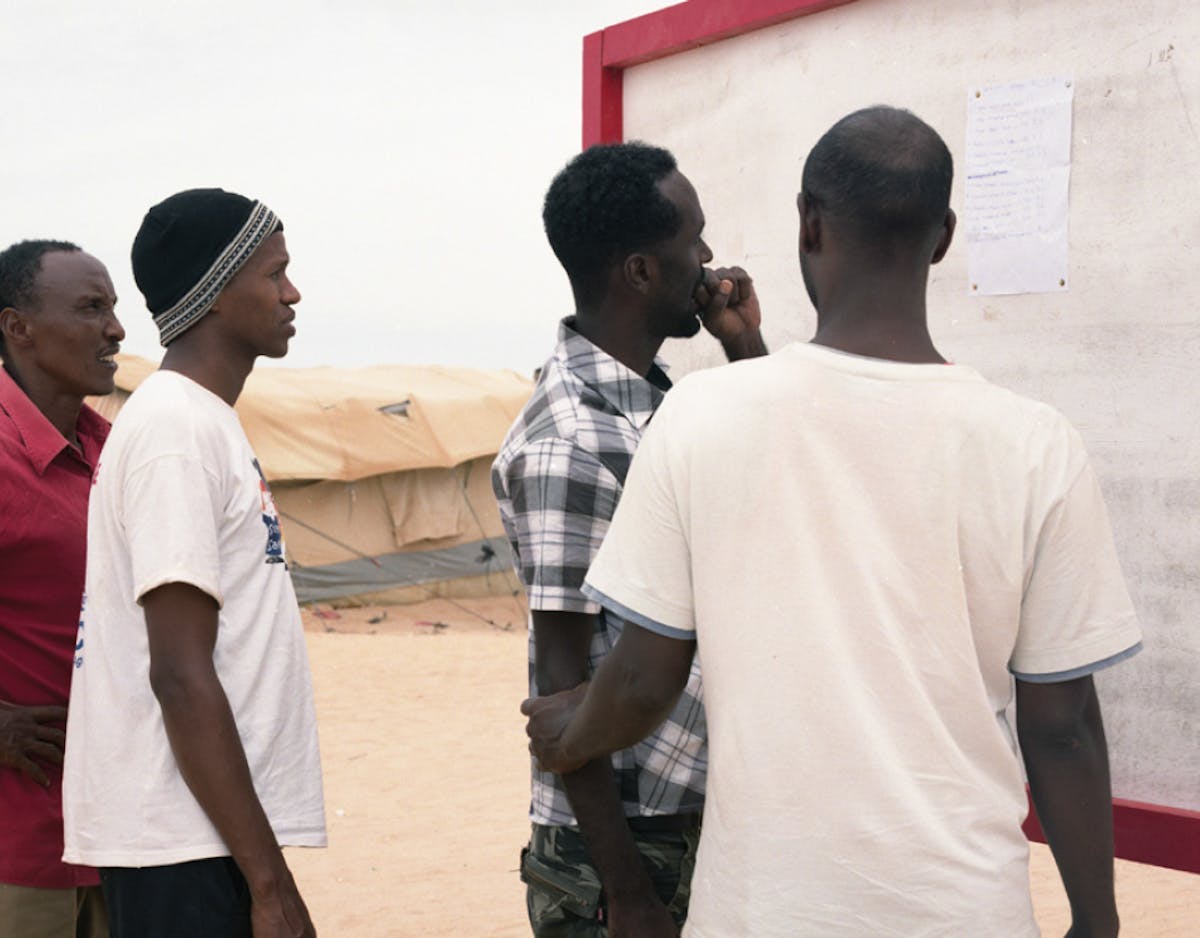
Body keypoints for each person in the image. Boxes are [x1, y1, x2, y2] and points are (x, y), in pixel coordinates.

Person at [524, 107, 1143, 937]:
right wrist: (1097, 923)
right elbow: (1063, 729)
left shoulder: (697, 416)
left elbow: (641, 683)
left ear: (808, 224)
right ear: (943, 238)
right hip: (967, 909)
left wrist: (570, 736)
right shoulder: (1038, 444)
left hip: (762, 914)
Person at [492, 141, 767, 937]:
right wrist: (627, 892)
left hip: (683, 821)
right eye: (695, 240)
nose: (710, 260)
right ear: (642, 271)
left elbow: (776, 479)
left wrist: (743, 345)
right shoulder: (569, 443)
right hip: (625, 844)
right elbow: (562, 678)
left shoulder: (653, 409)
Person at [61, 189, 326, 938]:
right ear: (213, 292)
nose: (292, 292)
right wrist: (270, 887)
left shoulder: (201, 420)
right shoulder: (174, 430)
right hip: (180, 846)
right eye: (273, 272)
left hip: (206, 836)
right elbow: (178, 671)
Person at [0, 240, 124, 938]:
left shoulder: (110, 449)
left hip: (115, 835)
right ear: (18, 327)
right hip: (17, 847)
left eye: (113, 308)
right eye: (90, 308)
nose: (115, 329)